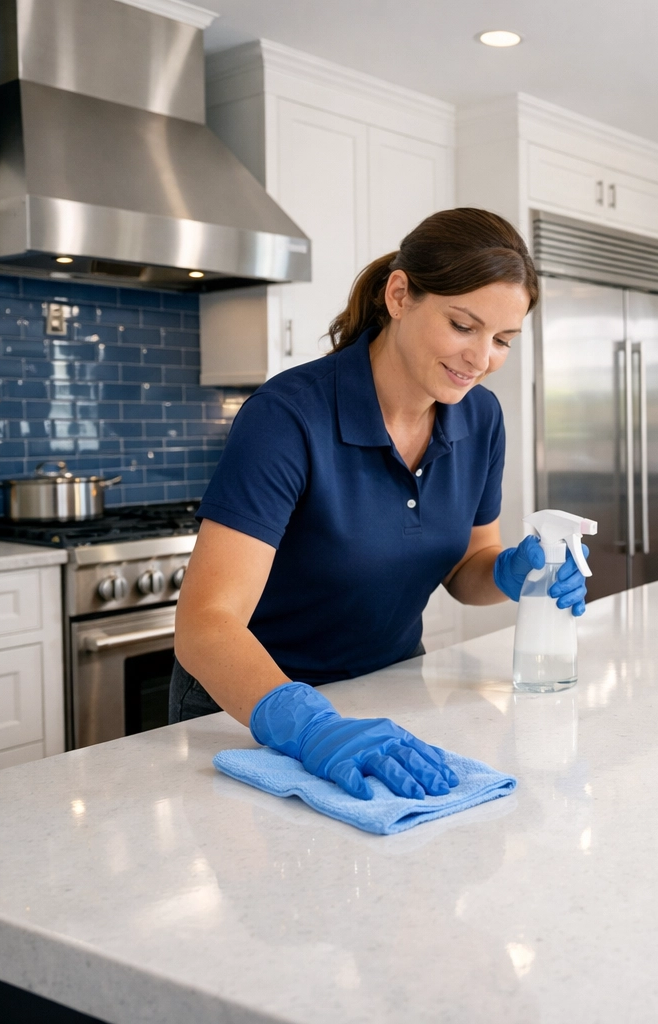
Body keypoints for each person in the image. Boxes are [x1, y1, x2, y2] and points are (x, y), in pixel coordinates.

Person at [171, 208, 586, 800]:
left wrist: (514, 571)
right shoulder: (288, 416)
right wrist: (312, 726)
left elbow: (466, 570)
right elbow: (205, 624)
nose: (480, 359)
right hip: (250, 709)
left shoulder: (481, 418)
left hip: (387, 695)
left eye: (502, 341)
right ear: (400, 295)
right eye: (463, 326)